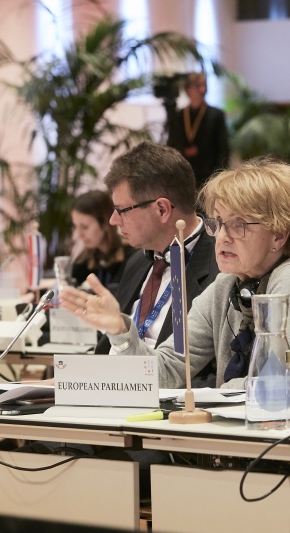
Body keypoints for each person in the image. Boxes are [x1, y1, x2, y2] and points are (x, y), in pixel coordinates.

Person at [61, 158, 290, 389]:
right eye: (218, 223)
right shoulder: (225, 286)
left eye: (238, 225)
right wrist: (120, 331)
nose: (222, 237)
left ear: (279, 235)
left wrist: (211, 400)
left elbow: (275, 382)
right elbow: (167, 369)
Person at [90, 142, 219, 386]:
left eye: (121, 210)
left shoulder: (221, 268)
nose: (113, 220)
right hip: (108, 390)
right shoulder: (137, 261)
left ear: (162, 209)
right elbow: (107, 354)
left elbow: (213, 378)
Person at [167, 72, 230, 189]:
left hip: (209, 176)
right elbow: (172, 145)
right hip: (185, 175)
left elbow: (223, 149)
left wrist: (219, 177)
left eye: (204, 85)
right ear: (187, 89)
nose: (203, 89)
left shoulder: (216, 115)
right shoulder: (179, 116)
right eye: (198, 86)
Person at [70, 190, 131, 290]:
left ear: (105, 224)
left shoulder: (130, 257)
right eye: (76, 227)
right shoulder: (86, 258)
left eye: (84, 227)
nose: (79, 235)